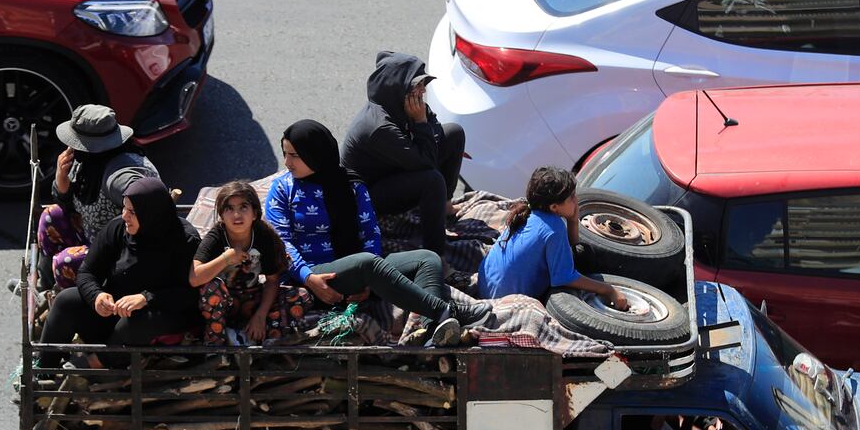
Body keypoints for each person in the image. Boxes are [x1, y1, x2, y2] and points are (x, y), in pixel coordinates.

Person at [266, 120, 474, 346]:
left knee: (427, 258)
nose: (287, 162)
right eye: (285, 154)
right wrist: (309, 277)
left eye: (294, 155)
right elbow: (280, 243)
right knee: (366, 263)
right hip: (313, 277)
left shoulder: (351, 185)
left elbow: (370, 234)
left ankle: (432, 332)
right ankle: (445, 311)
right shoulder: (282, 189)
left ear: (315, 153)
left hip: (357, 271)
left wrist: (368, 285)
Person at [37, 177, 201, 364]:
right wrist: (97, 296)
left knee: (133, 323)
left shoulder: (185, 240)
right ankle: (44, 367)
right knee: (66, 300)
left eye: (132, 211)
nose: (124, 216)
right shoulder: (119, 228)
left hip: (159, 319)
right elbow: (88, 272)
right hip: (114, 312)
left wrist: (145, 299)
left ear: (151, 214)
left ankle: (97, 366)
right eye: (124, 208)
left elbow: (189, 294)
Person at [340, 51, 465, 255]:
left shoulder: (402, 104)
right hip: (367, 195)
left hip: (391, 170)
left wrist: (423, 122)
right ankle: (436, 255)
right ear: (398, 87)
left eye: (424, 83)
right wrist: (420, 123)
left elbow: (434, 130)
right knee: (431, 180)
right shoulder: (379, 127)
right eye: (418, 84)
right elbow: (427, 162)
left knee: (453, 133)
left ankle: (445, 205)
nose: (423, 90)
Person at [37, 104, 158, 290]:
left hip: (119, 255)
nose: (71, 148)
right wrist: (61, 182)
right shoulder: (88, 163)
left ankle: (67, 303)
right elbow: (69, 205)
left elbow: (147, 206)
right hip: (93, 235)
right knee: (50, 216)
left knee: (65, 262)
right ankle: (44, 288)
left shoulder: (120, 176)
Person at [478, 166, 629, 309]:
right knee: (586, 258)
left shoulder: (527, 213)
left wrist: (572, 221)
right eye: (571, 198)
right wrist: (608, 290)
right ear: (554, 207)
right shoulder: (553, 227)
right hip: (505, 301)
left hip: (485, 289)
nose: (576, 200)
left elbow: (573, 250)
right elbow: (564, 277)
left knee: (581, 253)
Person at [191, 181, 313, 346]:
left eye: (243, 207)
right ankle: (216, 343)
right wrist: (226, 258)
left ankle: (255, 335)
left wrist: (260, 315)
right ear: (221, 215)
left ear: (254, 213)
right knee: (211, 288)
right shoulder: (216, 237)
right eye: (229, 209)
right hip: (223, 304)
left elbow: (272, 280)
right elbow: (195, 278)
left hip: (252, 300)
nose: (237, 215)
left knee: (301, 296)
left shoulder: (264, 236)